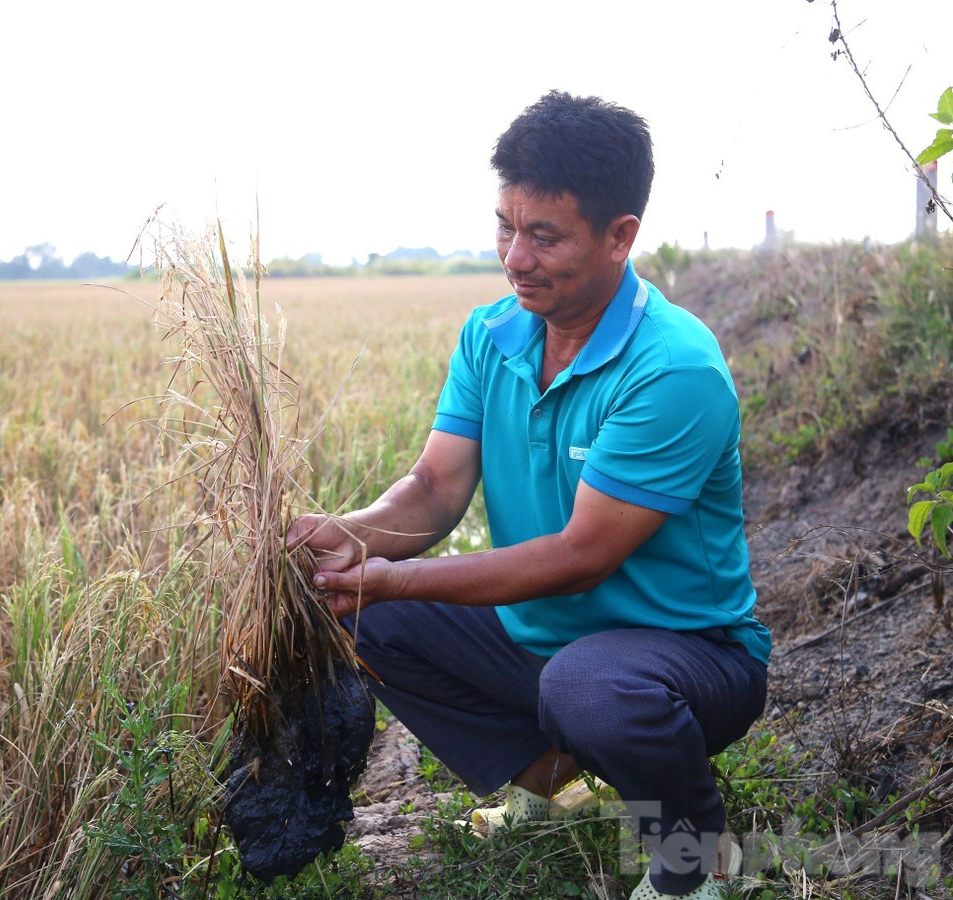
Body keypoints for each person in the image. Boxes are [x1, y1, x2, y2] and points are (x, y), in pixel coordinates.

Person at [289, 90, 770, 900]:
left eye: (544, 236)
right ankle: (553, 786)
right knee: (360, 612)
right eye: (506, 227)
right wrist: (352, 538)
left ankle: (698, 858)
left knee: (587, 686)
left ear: (621, 237)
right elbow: (435, 487)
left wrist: (398, 574)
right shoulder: (493, 334)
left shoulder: (673, 369)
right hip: (537, 643)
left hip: (684, 657)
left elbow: (581, 558)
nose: (515, 257)